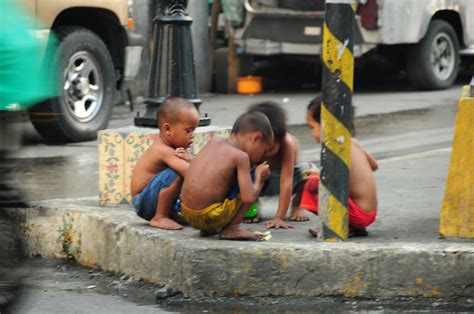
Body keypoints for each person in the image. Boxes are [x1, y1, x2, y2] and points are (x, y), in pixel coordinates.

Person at [180, 111, 273, 241]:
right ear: (255, 138)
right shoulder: (241, 157)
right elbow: (248, 198)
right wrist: (260, 178)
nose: (262, 157)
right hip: (210, 215)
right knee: (251, 178)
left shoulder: (215, 141)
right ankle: (232, 228)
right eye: (264, 150)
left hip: (185, 211)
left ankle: (208, 229)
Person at [302, 96, 378, 237]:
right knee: (320, 181)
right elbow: (374, 165)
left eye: (312, 127)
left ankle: (338, 224)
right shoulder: (352, 142)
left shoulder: (336, 149)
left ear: (326, 125)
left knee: (312, 184)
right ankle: (353, 227)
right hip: (370, 213)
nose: (312, 133)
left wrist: (318, 176)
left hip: (358, 214)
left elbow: (336, 182)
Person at [131, 97, 200, 230]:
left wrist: (191, 160)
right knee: (178, 173)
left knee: (183, 171)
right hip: (143, 202)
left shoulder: (173, 149)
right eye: (188, 130)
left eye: (194, 130)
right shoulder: (164, 150)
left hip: (149, 199)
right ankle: (160, 216)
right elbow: (191, 173)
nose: (192, 135)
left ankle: (169, 213)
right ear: (168, 129)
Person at [245, 101, 314, 229]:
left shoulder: (288, 143)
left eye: (270, 147)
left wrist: (279, 217)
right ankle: (254, 210)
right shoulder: (248, 144)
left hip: (286, 181)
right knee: (242, 174)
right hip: (260, 183)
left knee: (309, 170)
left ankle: (296, 205)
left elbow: (286, 181)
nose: (266, 150)